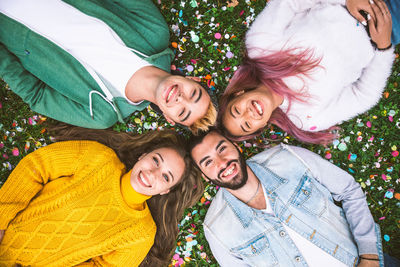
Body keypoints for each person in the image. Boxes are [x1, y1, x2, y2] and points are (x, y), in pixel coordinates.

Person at [189, 129, 400, 267]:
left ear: (235, 146)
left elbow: (349, 191)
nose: (222, 162)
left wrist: (369, 254)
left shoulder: (287, 158)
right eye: (208, 162)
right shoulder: (217, 229)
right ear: (205, 175)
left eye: (222, 149)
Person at [0, 0, 216, 134]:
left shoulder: (103, 114)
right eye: (193, 94)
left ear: (169, 118)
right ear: (193, 80)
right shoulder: (154, 32)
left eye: (182, 112)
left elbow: (37, 95)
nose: (181, 99)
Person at [0, 126, 204, 266]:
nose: (152, 173)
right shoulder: (99, 158)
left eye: (166, 177)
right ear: (143, 155)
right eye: (156, 161)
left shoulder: (141, 235)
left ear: (165, 191)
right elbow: (36, 167)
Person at [219, 0, 397, 144]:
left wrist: (347, 0)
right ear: (262, 126)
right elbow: (363, 95)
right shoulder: (307, 118)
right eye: (247, 125)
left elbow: (289, 3)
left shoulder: (259, 46)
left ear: (238, 93)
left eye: (237, 110)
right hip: (390, 24)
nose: (248, 114)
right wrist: (384, 47)